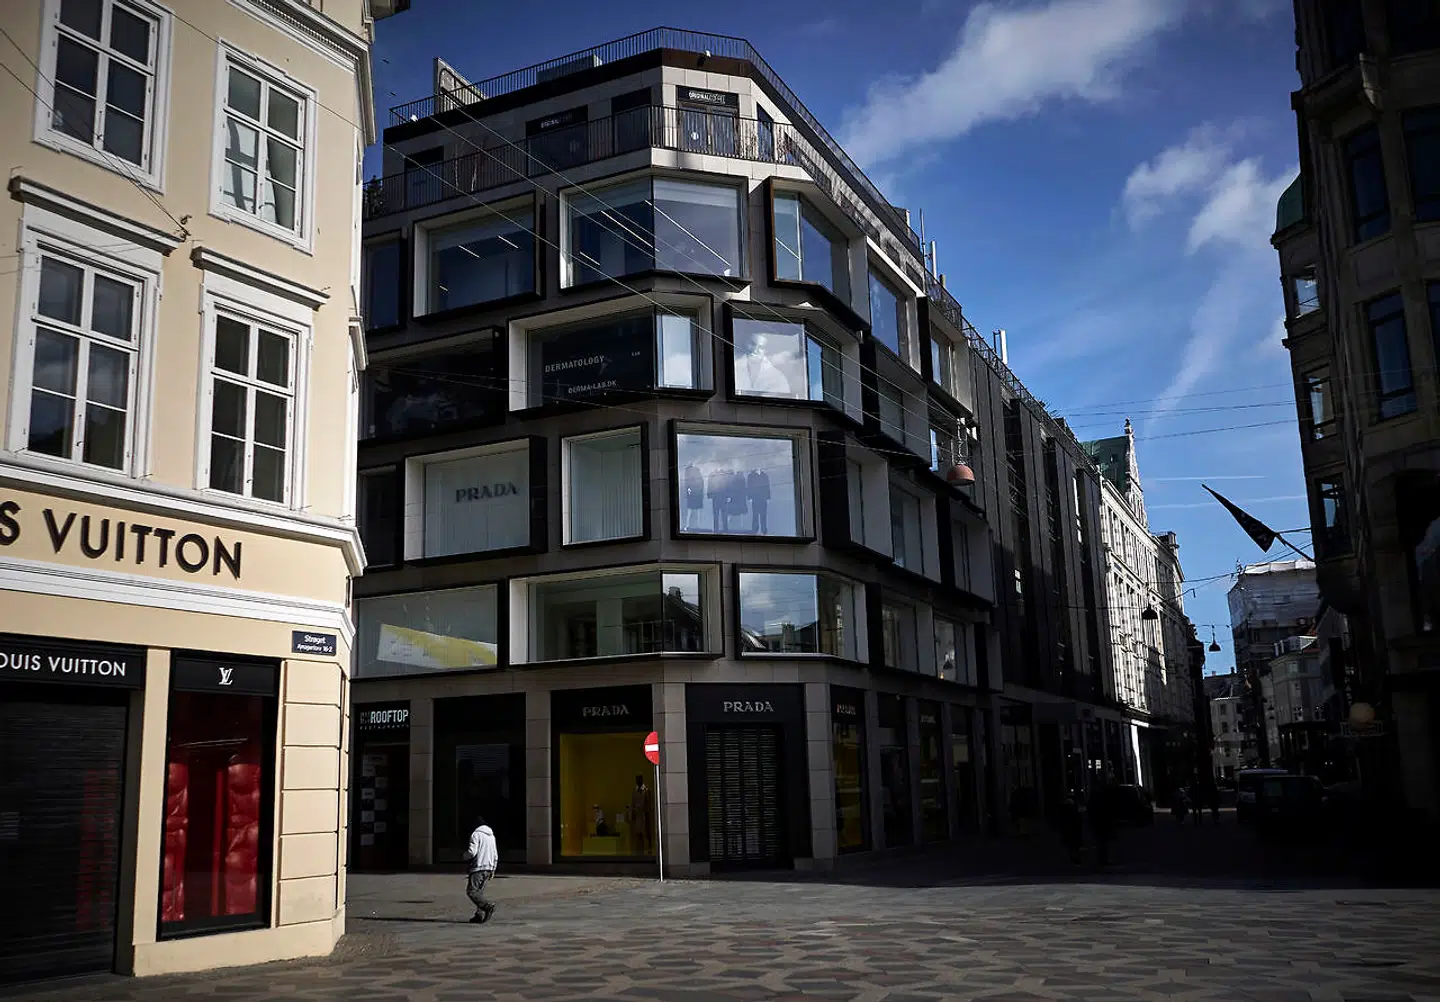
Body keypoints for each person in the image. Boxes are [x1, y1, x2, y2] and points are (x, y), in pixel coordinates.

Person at [463, 814, 498, 924]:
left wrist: (464, 856)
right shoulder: (491, 836)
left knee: (472, 892)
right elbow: (495, 854)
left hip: (478, 867)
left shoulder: (476, 835)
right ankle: (479, 915)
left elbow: (472, 852)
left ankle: (487, 907)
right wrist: (493, 869)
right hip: (489, 867)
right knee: (480, 893)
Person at [1088, 774, 1117, 868]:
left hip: (1099, 822)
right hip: (1100, 822)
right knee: (1102, 842)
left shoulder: (1096, 796)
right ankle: (1102, 859)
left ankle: (1102, 859)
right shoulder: (1101, 796)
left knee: (1101, 842)